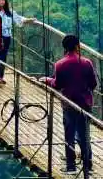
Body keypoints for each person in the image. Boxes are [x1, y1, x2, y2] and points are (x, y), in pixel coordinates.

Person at [39, 35, 97, 177]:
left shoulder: (60, 64)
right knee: (84, 134)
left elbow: (58, 84)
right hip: (85, 104)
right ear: (77, 46)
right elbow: (93, 84)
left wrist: (48, 80)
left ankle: (71, 166)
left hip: (69, 103)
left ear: (64, 47)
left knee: (69, 134)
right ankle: (87, 165)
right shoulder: (87, 62)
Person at [0, 0, 35, 84]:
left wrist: (29, 20)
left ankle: (0, 77)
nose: (1, 1)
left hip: (7, 37)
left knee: (3, 56)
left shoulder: (10, 12)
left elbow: (19, 19)